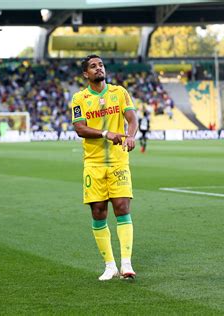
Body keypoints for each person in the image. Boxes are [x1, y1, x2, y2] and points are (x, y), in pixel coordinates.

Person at [71, 55, 138, 281]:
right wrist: (104, 134)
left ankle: (126, 264)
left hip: (119, 161)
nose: (98, 68)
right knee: (98, 211)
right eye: (93, 66)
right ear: (85, 74)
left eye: (100, 65)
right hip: (94, 163)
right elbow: (80, 128)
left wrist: (130, 136)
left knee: (122, 207)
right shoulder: (79, 98)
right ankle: (110, 265)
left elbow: (132, 117)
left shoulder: (119, 93)